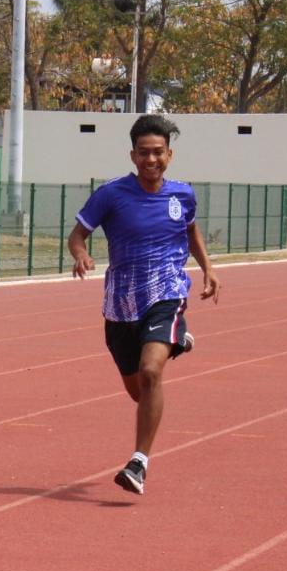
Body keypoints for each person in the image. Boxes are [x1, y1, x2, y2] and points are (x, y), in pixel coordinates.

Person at [67, 114, 219, 496]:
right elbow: (77, 235)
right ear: (132, 156)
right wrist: (81, 255)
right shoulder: (111, 195)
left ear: (170, 154)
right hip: (121, 303)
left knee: (152, 373)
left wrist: (208, 269)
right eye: (143, 153)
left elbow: (190, 230)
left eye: (158, 153)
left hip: (166, 291)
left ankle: (139, 462)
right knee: (140, 392)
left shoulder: (183, 194)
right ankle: (176, 341)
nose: (151, 160)